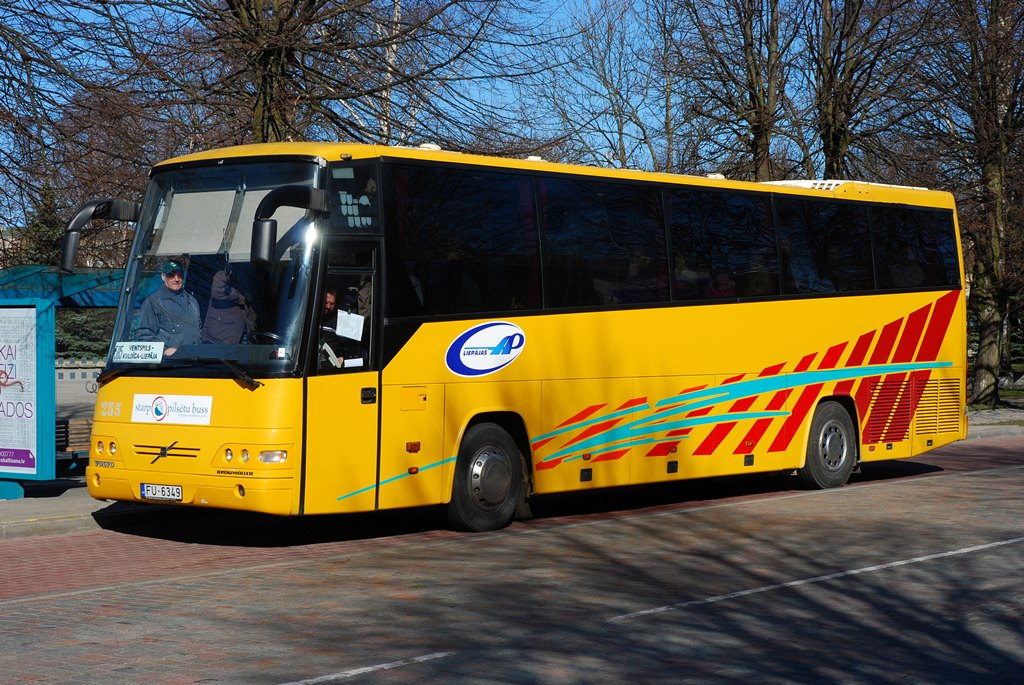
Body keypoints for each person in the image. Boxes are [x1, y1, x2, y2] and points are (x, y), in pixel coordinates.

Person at [137, 259, 202, 357]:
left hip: (195, 362)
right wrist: (164, 350)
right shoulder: (152, 302)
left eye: (179, 274)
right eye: (171, 275)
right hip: (169, 364)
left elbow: (199, 330)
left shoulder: (192, 301)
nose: (176, 279)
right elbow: (145, 334)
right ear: (163, 277)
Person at [201, 268, 256, 344]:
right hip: (212, 344)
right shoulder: (222, 277)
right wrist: (242, 297)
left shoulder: (250, 306)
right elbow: (218, 289)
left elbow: (251, 327)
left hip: (233, 349)